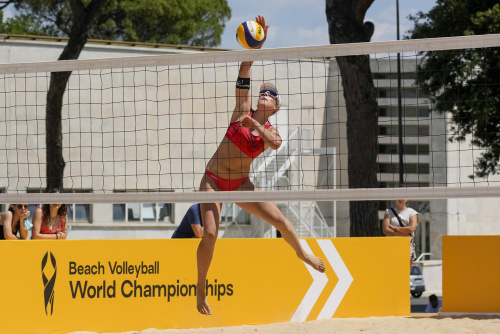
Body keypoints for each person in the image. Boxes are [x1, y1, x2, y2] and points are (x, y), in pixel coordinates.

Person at [195, 15, 325, 316]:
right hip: (213, 180)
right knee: (211, 234)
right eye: (264, 91)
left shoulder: (271, 132)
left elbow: (275, 143)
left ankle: (302, 253)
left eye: (272, 94)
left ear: (276, 107)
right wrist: (258, 45)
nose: (266, 93)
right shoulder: (242, 108)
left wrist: (254, 122)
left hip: (240, 184)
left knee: (281, 221)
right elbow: (244, 69)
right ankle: (201, 287)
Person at [382, 194, 418, 270]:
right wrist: (405, 230)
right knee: (391, 270)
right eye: (398, 195)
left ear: (407, 199)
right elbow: (385, 230)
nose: (400, 199)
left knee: (406, 272)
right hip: (392, 245)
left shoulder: (412, 212)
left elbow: (411, 229)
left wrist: (395, 228)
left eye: (403, 196)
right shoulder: (388, 211)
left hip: (407, 245)